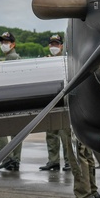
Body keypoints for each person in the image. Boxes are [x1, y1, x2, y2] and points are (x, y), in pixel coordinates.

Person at [41, 34, 74, 172]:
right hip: (50, 101)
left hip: (63, 102)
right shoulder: (46, 62)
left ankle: (69, 162)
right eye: (52, 44)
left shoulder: (66, 61)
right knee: (50, 133)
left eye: (56, 44)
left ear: (61, 46)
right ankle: (53, 160)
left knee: (65, 134)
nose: (54, 47)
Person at [0, 31, 23, 172]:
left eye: (6, 42)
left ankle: (7, 159)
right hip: (18, 99)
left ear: (13, 44)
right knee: (16, 132)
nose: (3, 45)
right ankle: (15, 160)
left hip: (8, 99)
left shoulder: (10, 59)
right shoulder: (18, 57)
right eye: (2, 42)